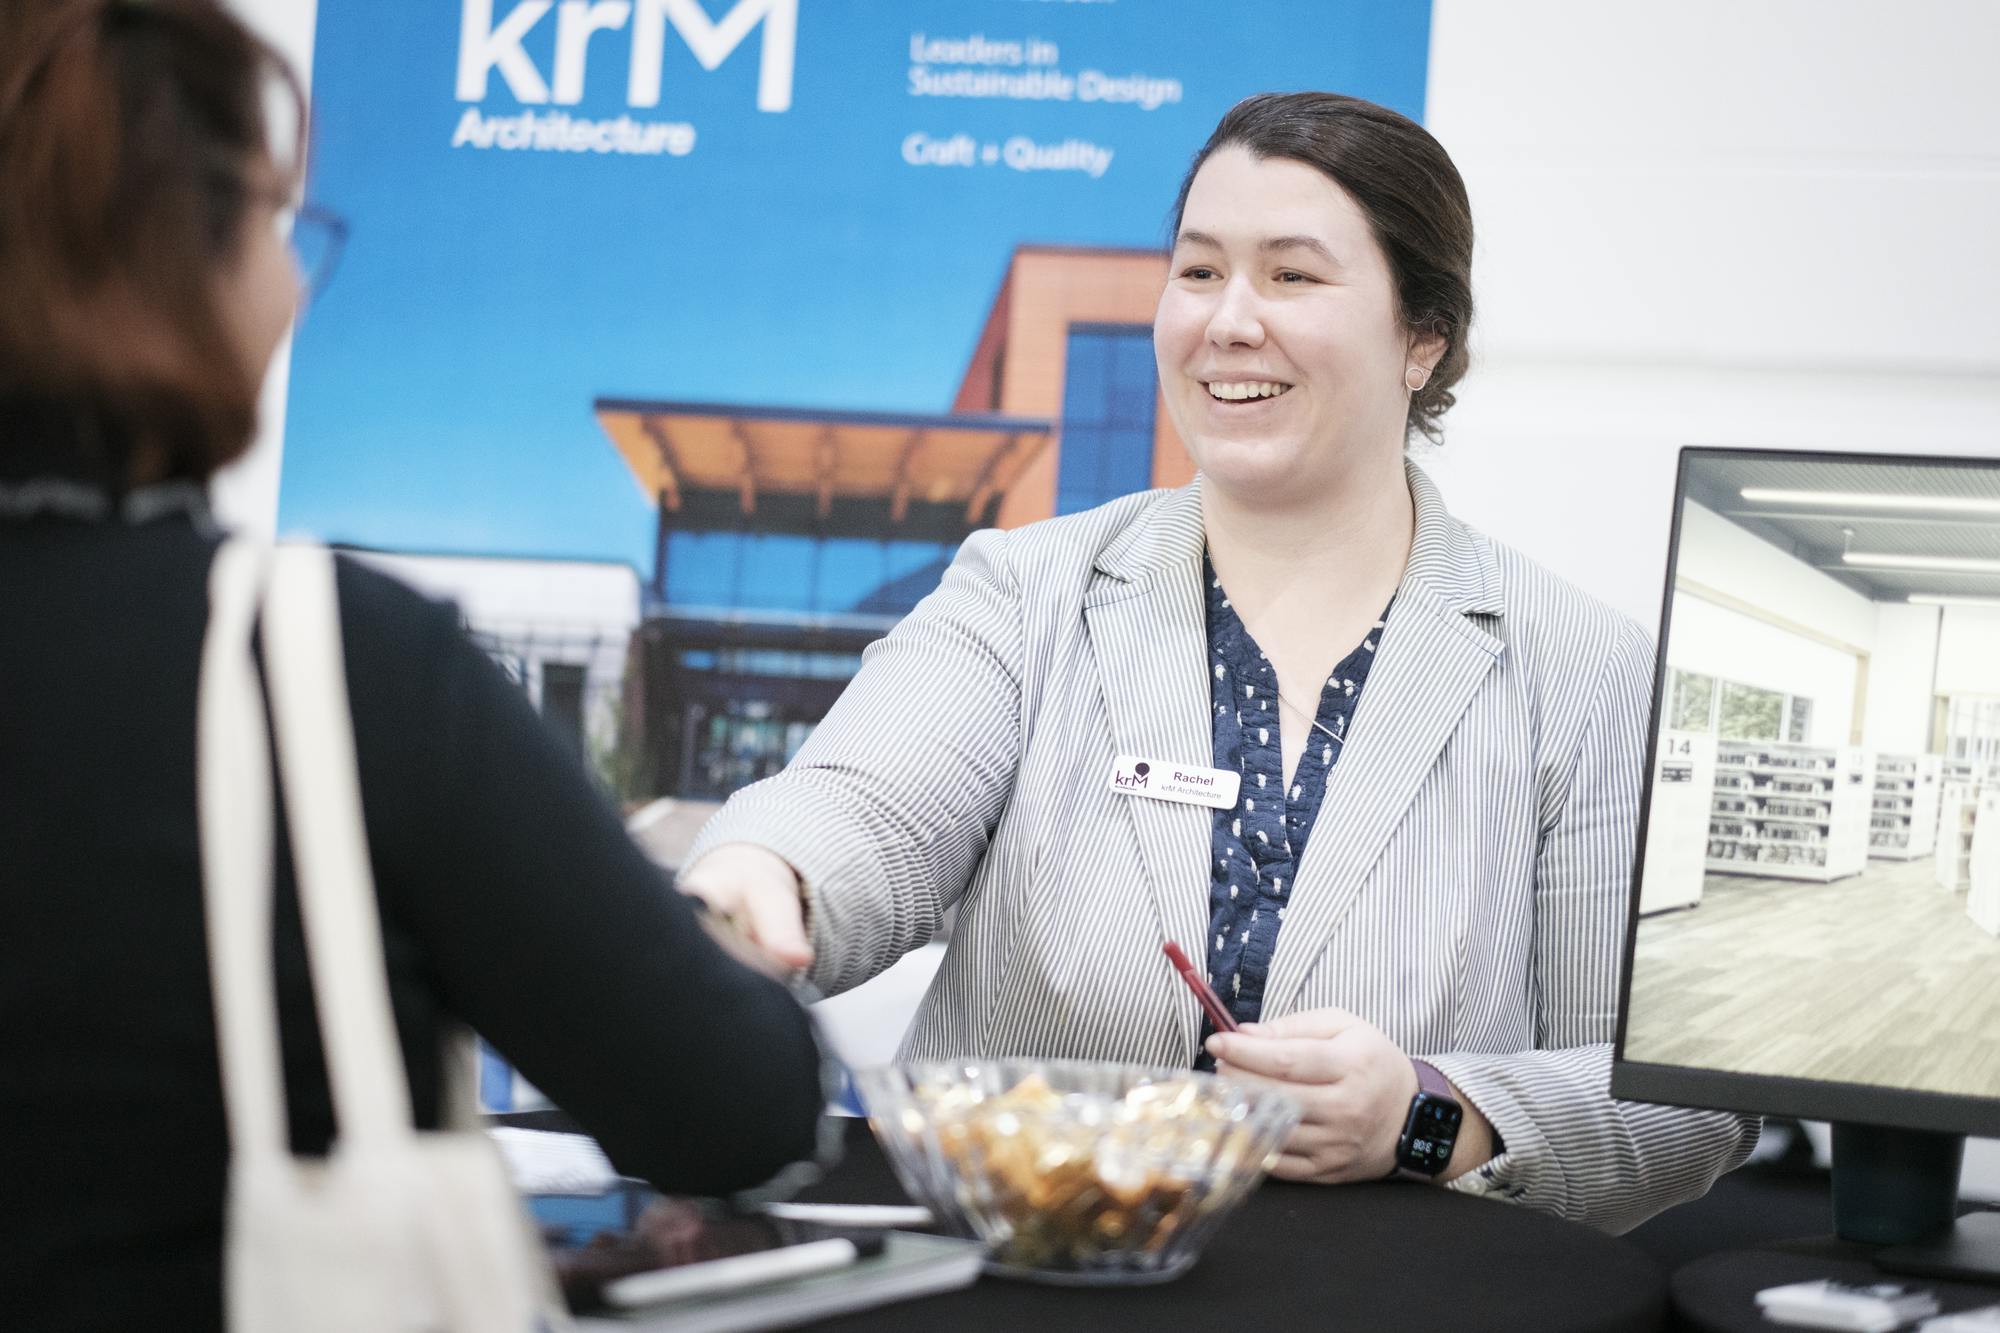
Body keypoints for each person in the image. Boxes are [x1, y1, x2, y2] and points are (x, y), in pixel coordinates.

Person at [678, 91, 1758, 1233]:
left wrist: (1431, 1114)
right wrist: (765, 875)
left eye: (1291, 277)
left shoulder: (1577, 666)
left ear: (1421, 336)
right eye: (1197, 273)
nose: (1226, 321)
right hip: (1029, 1276)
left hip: (1382, 1302)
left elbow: (1678, 1098)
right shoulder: (1024, 590)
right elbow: (866, 808)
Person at [0, 3, 825, 1327]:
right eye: (277, 222)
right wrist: (711, 934)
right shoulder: (318, 662)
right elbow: (733, 1115)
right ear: (177, 260)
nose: (288, 281)